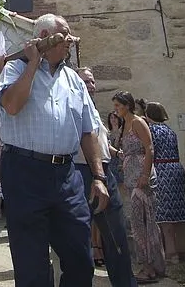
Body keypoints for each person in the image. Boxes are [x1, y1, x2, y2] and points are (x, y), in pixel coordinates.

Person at [0, 13, 108, 287]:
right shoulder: (14, 70)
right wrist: (33, 62)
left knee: (80, 260)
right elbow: (11, 105)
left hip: (66, 176)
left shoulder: (74, 80)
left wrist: (98, 176)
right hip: (24, 173)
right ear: (45, 37)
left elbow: (88, 130)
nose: (70, 40)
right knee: (31, 266)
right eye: (65, 34)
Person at [74, 69, 137, 287]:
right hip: (83, 170)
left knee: (116, 235)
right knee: (80, 236)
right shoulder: (70, 107)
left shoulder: (93, 110)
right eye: (85, 81)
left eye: (92, 81)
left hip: (105, 171)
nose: (90, 85)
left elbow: (99, 142)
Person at [113, 91, 165, 284]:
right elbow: (127, 152)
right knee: (136, 222)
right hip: (130, 175)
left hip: (141, 176)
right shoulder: (124, 124)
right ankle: (146, 264)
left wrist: (145, 174)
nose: (116, 109)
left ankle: (151, 266)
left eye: (118, 105)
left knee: (145, 221)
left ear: (126, 105)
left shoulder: (137, 122)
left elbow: (149, 147)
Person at [143, 102, 185, 264]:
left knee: (165, 213)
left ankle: (171, 252)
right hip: (176, 168)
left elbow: (149, 151)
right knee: (179, 212)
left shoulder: (152, 131)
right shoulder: (169, 130)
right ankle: (183, 249)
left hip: (162, 169)